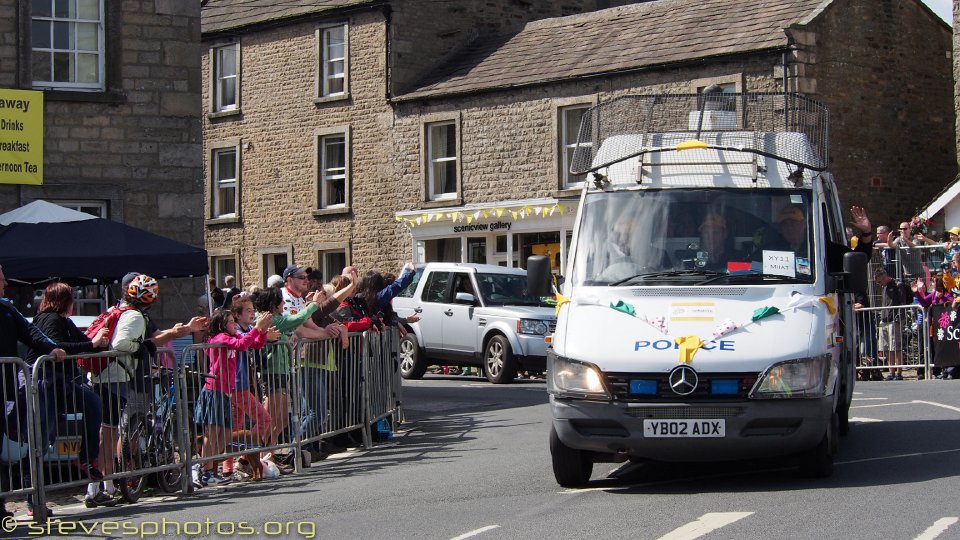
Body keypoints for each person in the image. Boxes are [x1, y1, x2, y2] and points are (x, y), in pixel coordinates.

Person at [25, 283, 108, 510]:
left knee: (92, 403)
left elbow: (78, 342)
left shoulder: (61, 319)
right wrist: (92, 343)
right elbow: (57, 346)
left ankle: (86, 458)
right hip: (45, 385)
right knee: (42, 441)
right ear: (65, 301)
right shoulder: (50, 319)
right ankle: (34, 499)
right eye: (72, 299)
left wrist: (97, 342)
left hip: (61, 385)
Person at [0, 265, 66, 518]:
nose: (5, 284)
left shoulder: (6, 309)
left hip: (3, 390)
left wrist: (52, 349)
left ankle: (2, 506)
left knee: (3, 448)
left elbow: (31, 333)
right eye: (1, 279)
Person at [87, 274, 158, 507]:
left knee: (107, 434)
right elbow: (120, 345)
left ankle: (105, 486)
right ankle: (94, 489)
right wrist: (138, 346)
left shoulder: (115, 308)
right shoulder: (136, 316)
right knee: (108, 436)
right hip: (114, 378)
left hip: (100, 376)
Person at [192, 308, 276, 488]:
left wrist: (262, 330)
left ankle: (209, 469)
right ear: (222, 324)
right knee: (212, 434)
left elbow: (254, 345)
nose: (234, 324)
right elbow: (241, 345)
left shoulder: (232, 337)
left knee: (227, 433)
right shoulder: (219, 338)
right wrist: (257, 329)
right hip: (213, 390)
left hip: (225, 392)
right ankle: (204, 471)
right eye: (231, 322)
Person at [874, 267, 909, 381]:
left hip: (895, 320)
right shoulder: (884, 288)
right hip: (885, 319)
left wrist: (899, 318)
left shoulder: (897, 285)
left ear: (884, 277)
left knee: (896, 347)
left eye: (880, 281)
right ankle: (891, 372)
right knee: (887, 347)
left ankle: (898, 372)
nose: (879, 284)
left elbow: (902, 301)